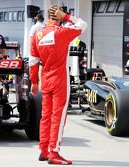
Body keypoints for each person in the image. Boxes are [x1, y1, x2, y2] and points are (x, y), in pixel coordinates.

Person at [29, 5, 87, 165]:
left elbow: (33, 61)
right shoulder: (62, 33)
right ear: (59, 16)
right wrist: (67, 16)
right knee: (58, 117)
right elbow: (83, 24)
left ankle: (43, 150)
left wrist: (34, 82)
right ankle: (54, 153)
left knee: (45, 116)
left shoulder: (36, 35)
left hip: (45, 80)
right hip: (60, 80)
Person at [29, 12, 44, 88]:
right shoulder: (44, 26)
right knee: (42, 66)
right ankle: (41, 83)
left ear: (37, 19)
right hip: (43, 49)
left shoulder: (34, 27)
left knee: (33, 66)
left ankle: (34, 84)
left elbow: (31, 39)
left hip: (35, 50)